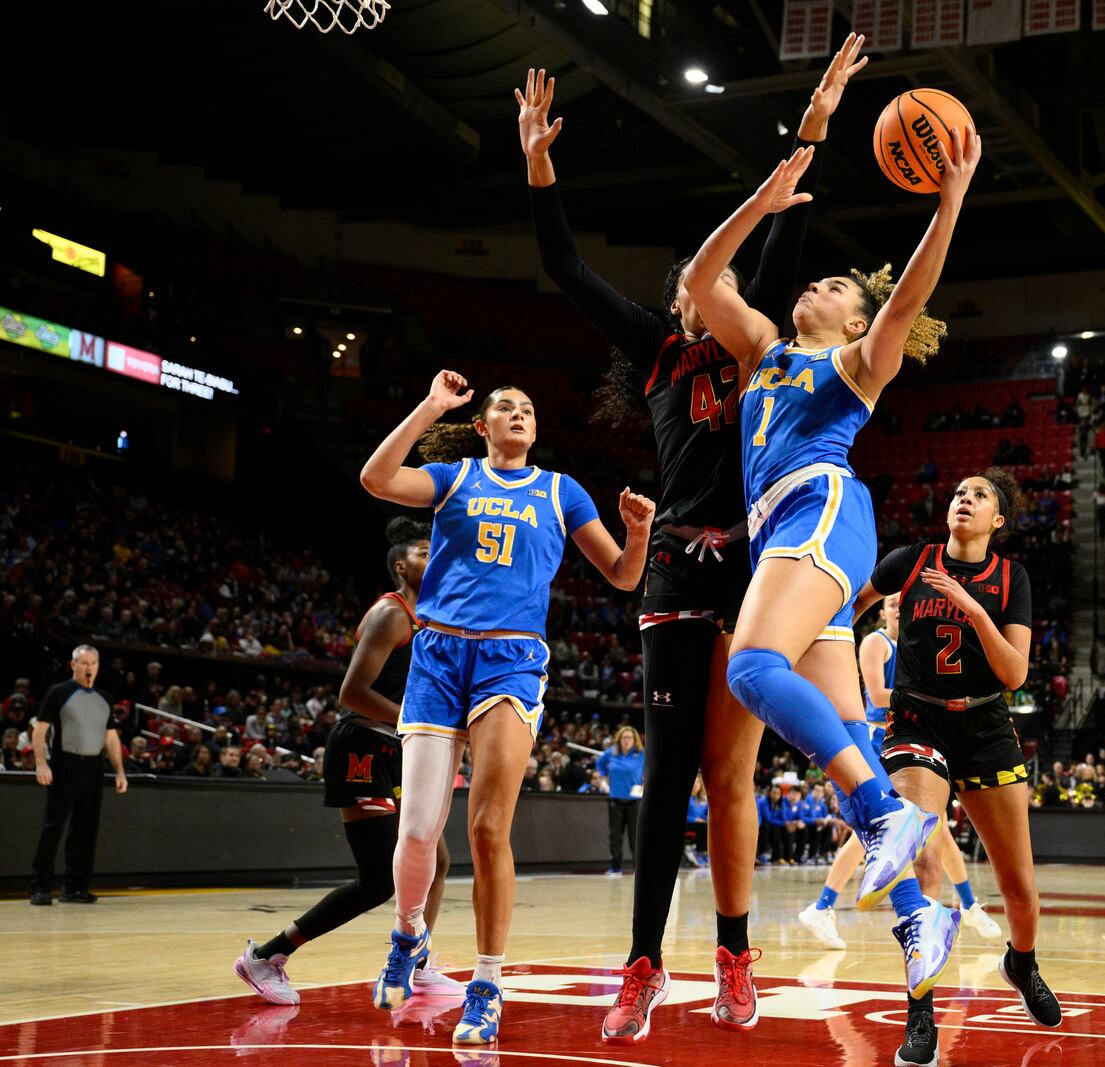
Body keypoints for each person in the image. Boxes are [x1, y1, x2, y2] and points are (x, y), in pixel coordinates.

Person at [518, 41, 868, 1041]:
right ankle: (640, 965)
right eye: (688, 283)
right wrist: (540, 165)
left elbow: (782, 239)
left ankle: (733, 953)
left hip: (757, 569)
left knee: (733, 778)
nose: (700, 289)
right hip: (677, 562)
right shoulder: (661, 348)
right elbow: (563, 265)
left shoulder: (765, 347)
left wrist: (816, 119)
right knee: (669, 769)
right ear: (682, 298)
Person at [683, 107, 984, 1005]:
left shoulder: (853, 363)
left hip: (820, 508)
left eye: (830, 286)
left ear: (853, 316)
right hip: (786, 531)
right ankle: (918, 914)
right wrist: (761, 201)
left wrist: (951, 201)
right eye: (812, 280)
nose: (811, 285)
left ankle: (886, 814)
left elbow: (910, 296)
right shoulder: (765, 351)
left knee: (748, 668)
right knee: (847, 732)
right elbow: (703, 278)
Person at [359, 372, 654, 1046]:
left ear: (535, 428)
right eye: (503, 408)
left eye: (527, 407)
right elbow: (377, 478)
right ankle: (409, 933)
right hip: (438, 654)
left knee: (489, 828)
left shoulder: (560, 491)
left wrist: (636, 534)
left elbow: (622, 576)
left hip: (510, 661)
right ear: (484, 427)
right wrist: (430, 405)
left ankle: (487, 984)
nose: (517, 413)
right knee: (417, 834)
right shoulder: (455, 478)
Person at [850, 470, 1064, 1065]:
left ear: (998, 520)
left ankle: (1020, 964)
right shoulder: (910, 561)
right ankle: (921, 1014)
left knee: (1020, 889)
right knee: (922, 859)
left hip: (986, 725)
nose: (964, 499)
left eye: (980, 495)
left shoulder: (1009, 577)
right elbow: (848, 607)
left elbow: (1015, 674)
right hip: (918, 721)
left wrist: (971, 606)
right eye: (959, 493)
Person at [235, 518, 462, 1006]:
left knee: (436, 859)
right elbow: (352, 693)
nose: (434, 555)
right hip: (362, 745)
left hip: (397, 749)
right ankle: (266, 957)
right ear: (402, 566)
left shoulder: (433, 614)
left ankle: (418, 965)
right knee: (378, 880)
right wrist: (412, 721)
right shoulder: (392, 614)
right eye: (424, 551)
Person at [799, 593, 1002, 950]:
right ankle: (823, 906)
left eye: (902, 605)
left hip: (909, 736)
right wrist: (934, 698)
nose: (897, 609)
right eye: (892, 604)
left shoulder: (913, 643)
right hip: (879, 739)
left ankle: (969, 904)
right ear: (883, 611)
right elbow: (877, 696)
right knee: (878, 832)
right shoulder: (876, 643)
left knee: (934, 827)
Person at [29, 645, 127, 905]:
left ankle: (75, 887)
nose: (89, 668)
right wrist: (41, 763)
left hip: (93, 767)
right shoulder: (59, 692)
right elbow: (40, 730)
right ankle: (40, 887)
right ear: (73, 665)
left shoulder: (105, 697)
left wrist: (119, 771)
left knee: (86, 830)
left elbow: (111, 737)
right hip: (64, 764)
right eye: (84, 663)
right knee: (54, 826)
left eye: (93, 663)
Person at [596, 726, 645, 876]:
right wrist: (603, 777)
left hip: (635, 801)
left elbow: (652, 768)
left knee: (635, 837)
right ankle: (616, 867)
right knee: (615, 835)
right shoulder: (611, 752)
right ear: (620, 739)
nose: (627, 740)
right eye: (624, 737)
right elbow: (599, 763)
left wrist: (645, 783)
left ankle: (639, 868)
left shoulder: (642, 754)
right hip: (615, 800)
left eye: (630, 737)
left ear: (635, 739)